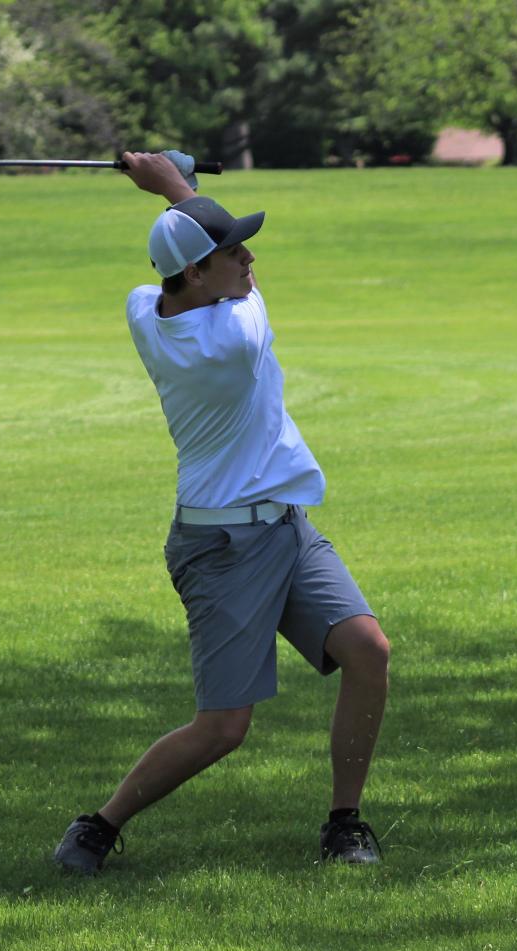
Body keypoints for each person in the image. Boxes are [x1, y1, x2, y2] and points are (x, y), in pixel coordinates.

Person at [53, 151, 390, 874]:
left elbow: (170, 269)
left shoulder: (147, 308)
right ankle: (99, 824)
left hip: (286, 527)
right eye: (231, 250)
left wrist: (184, 203)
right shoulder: (235, 337)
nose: (248, 257)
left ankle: (343, 822)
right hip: (223, 548)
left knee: (368, 648)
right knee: (223, 727)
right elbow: (229, 277)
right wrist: (174, 182)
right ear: (200, 273)